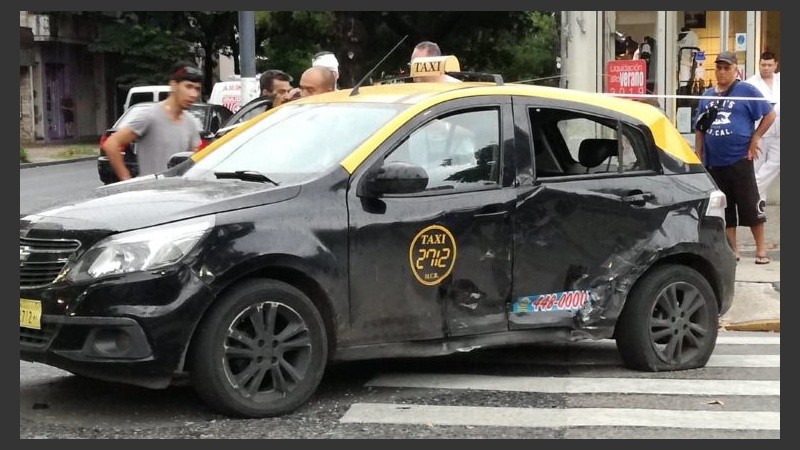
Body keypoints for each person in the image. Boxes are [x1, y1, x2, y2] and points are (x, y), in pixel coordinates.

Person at [694, 51, 776, 264]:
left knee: (750, 204)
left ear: (735, 70)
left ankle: (760, 249)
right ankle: (733, 249)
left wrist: (755, 137)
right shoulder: (707, 95)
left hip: (740, 158)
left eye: (726, 68)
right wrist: (699, 154)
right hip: (714, 162)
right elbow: (700, 128)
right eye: (719, 67)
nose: (722, 72)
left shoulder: (745, 90)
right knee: (725, 207)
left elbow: (770, 114)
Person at [101, 62, 202, 181]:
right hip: (151, 190)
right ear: (174, 85)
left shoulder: (190, 122)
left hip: (177, 190)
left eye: (197, 89)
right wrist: (126, 179)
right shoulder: (150, 115)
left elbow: (196, 157)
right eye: (188, 86)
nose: (193, 94)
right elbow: (111, 144)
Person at [745, 52, 780, 211]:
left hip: (779, 131)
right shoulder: (750, 84)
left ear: (776, 65)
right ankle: (759, 201)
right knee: (756, 167)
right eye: (763, 65)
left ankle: (751, 192)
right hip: (759, 131)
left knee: (776, 163)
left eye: (769, 65)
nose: (766, 68)